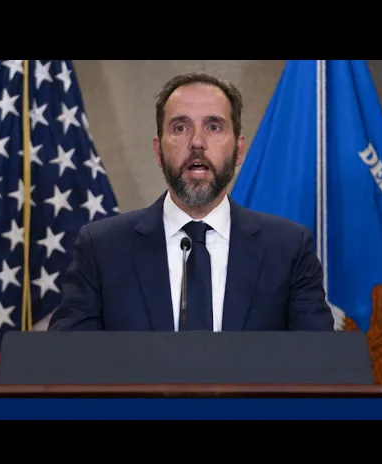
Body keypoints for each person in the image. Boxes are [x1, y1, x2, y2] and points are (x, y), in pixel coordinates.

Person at [48, 71, 334, 332]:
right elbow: (70, 360)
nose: (197, 142)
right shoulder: (101, 248)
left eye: (214, 127)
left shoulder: (288, 249)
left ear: (239, 151)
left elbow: (319, 361)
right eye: (180, 128)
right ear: (158, 151)